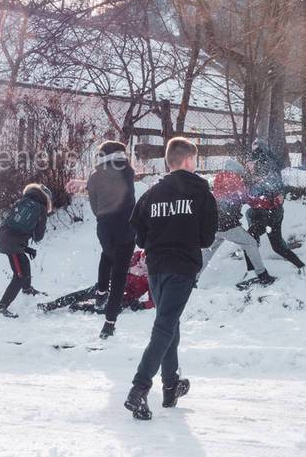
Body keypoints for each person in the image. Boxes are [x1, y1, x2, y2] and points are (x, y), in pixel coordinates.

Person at [124, 137, 218, 421]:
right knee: (165, 326)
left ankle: (170, 385)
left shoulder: (152, 193)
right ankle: (139, 389)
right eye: (196, 160)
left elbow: (137, 230)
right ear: (189, 161)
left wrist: (157, 238)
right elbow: (207, 237)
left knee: (168, 322)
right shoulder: (202, 194)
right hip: (182, 267)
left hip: (156, 266)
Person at [85, 141, 137, 339]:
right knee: (119, 276)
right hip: (127, 228)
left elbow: (94, 206)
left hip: (105, 228)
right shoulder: (128, 173)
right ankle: (109, 323)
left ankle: (100, 293)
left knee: (107, 255)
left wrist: (104, 217)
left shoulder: (95, 177)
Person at [201, 159, 276, 289]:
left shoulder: (219, 180)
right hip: (228, 224)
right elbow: (250, 200)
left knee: (209, 251)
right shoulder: (235, 181)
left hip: (214, 223)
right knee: (250, 242)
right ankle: (263, 275)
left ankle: (192, 279)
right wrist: (270, 203)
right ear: (237, 172)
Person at [0, 183, 53, 318]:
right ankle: (0, 307)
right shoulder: (41, 207)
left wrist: (26, 248)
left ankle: (27, 289)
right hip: (11, 242)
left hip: (6, 237)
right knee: (19, 275)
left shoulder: (24, 200)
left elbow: (12, 225)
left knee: (24, 262)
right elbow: (39, 236)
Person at [245, 138, 305, 271]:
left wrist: (256, 194)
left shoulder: (263, 163)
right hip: (274, 211)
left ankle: (254, 272)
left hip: (269, 212)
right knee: (277, 246)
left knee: (249, 239)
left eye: (255, 149)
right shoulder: (271, 162)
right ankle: (301, 266)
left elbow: (267, 188)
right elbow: (274, 187)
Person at [38, 250, 154, 314]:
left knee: (111, 310)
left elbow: (153, 301)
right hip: (112, 286)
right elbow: (115, 266)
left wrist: (140, 305)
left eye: (146, 261)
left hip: (124, 299)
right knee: (86, 293)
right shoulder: (135, 256)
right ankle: (52, 305)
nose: (142, 260)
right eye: (143, 257)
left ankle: (82, 307)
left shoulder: (152, 276)